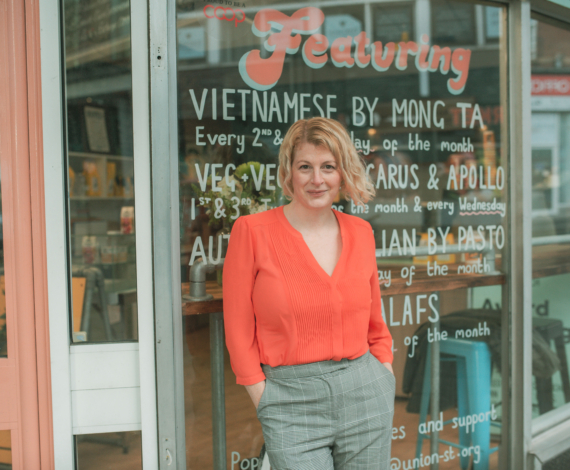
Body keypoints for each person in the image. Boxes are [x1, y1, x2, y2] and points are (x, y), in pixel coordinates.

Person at [223, 117, 395, 470]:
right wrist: (263, 397)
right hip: (289, 399)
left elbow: (375, 321)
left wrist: (384, 373)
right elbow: (238, 331)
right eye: (306, 167)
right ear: (289, 172)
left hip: (364, 390)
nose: (317, 180)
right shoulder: (252, 232)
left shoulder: (360, 232)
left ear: (342, 172)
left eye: (328, 167)